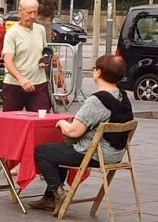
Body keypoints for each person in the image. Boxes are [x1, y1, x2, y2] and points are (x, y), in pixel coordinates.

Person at [33, 54, 134, 212]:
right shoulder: (122, 96)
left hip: (95, 153)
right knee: (58, 150)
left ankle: (58, 193)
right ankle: (50, 197)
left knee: (42, 151)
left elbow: (73, 132)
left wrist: (61, 123)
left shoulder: (97, 101)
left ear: (98, 72)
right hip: (116, 154)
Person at [1, 0, 63, 112]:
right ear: (20, 12)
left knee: (42, 121)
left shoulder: (40, 29)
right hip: (15, 85)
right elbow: (8, 60)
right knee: (12, 122)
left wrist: (45, 59)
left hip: (39, 84)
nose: (33, 16)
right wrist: (21, 79)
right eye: (29, 13)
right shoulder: (12, 33)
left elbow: (44, 51)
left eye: (35, 12)